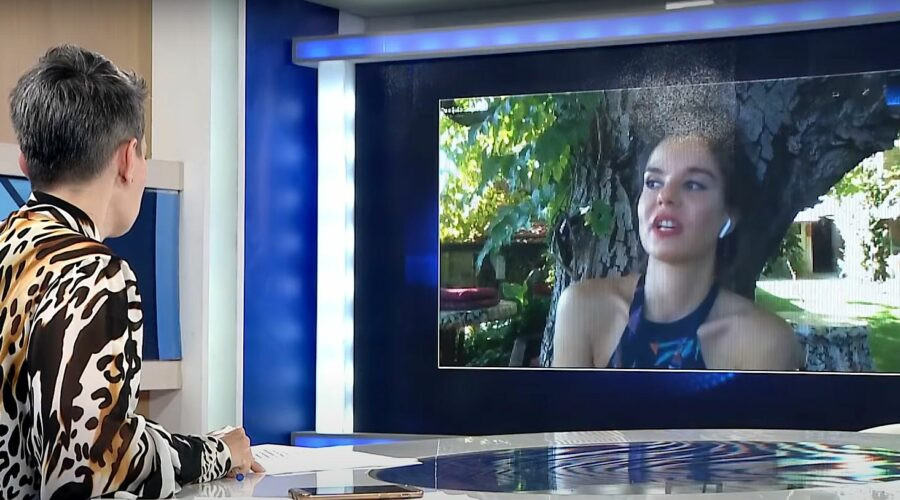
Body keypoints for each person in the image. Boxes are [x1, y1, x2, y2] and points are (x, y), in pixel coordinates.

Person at [0, 45, 260, 499]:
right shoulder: (95, 275)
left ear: (25, 162)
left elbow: (89, 432)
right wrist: (215, 453)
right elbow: (87, 470)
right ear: (127, 158)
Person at [552, 135, 801, 370]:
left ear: (727, 217)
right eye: (653, 182)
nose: (665, 196)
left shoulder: (766, 343)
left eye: (693, 185)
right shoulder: (583, 310)